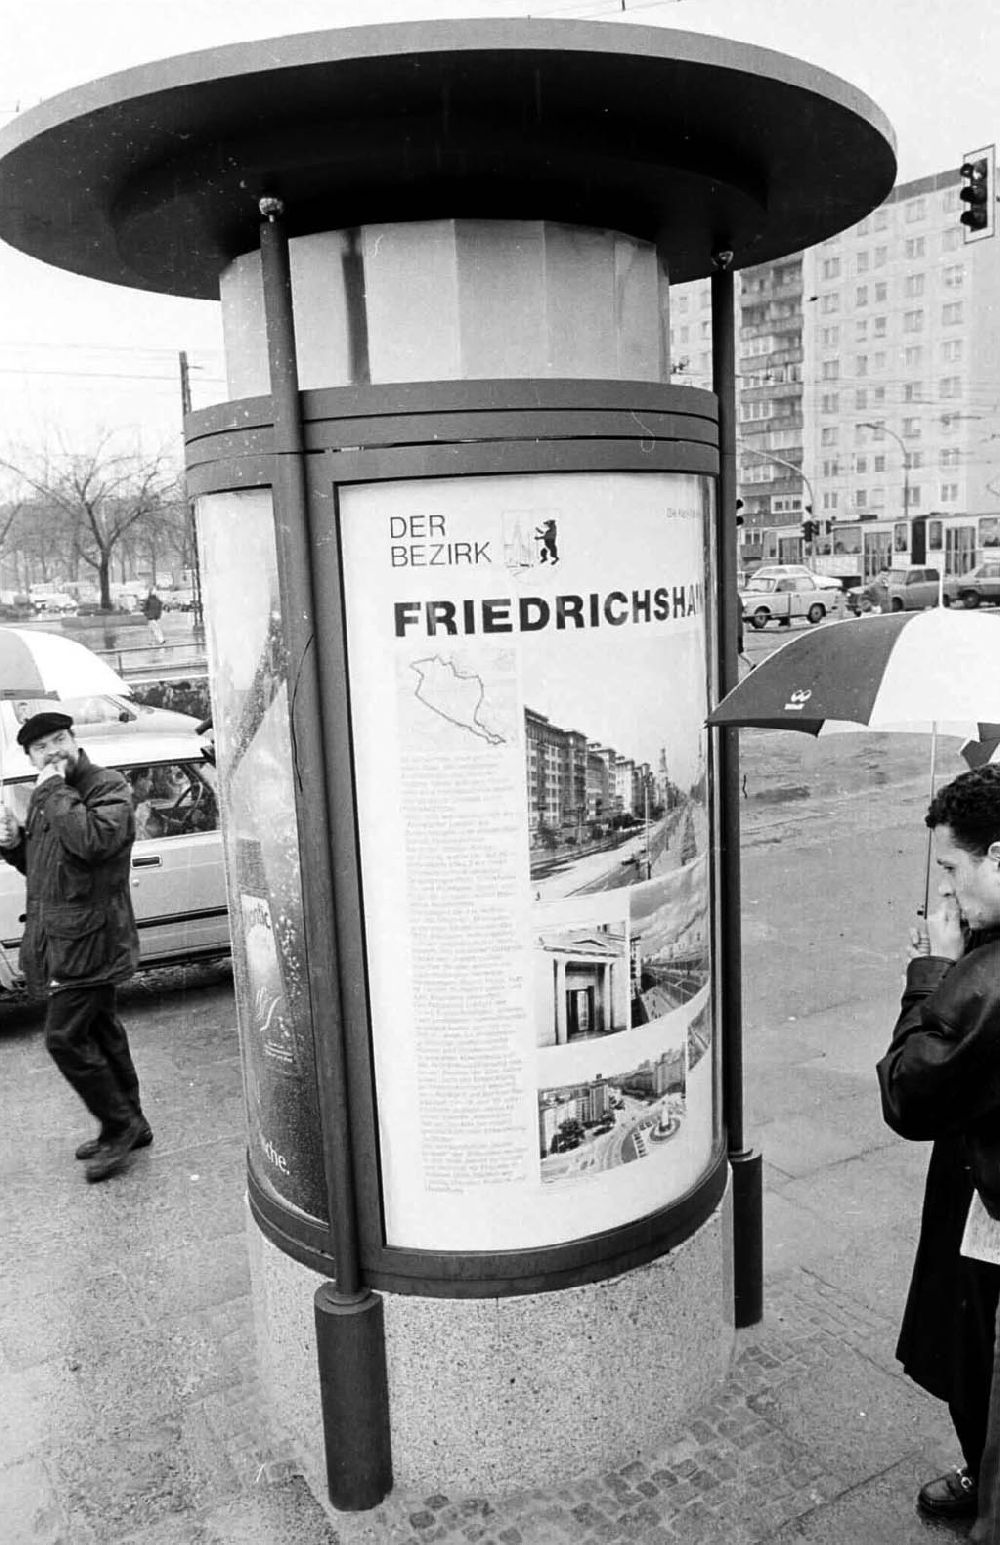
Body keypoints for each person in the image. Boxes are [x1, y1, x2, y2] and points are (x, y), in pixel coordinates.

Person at [876, 763, 1000, 1524]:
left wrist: (932, 976)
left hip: (988, 1205)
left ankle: (986, 1481)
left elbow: (908, 1089)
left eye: (953, 866)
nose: (945, 886)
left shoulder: (984, 982)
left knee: (976, 1352)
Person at [0, 711, 151, 1182]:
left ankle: (118, 1125)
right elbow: (48, 873)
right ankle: (134, 1122)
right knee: (101, 1030)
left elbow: (93, 842)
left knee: (63, 1038)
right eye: (41, 747)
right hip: (62, 936)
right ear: (28, 754)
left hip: (93, 940)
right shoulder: (51, 794)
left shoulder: (106, 786)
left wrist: (50, 790)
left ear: (74, 738)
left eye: (59, 739)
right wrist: (12, 843)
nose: (53, 751)